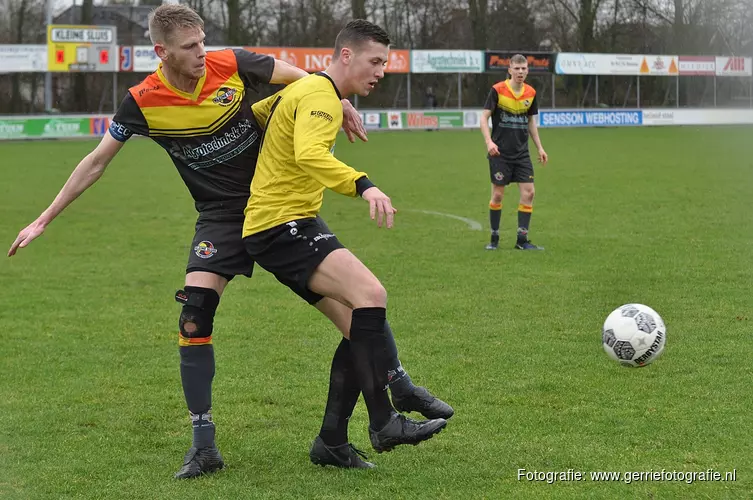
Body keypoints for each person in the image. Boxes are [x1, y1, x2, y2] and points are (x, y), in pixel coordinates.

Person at [7, 5, 451, 479]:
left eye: (203, 41)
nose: (203, 52)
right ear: (162, 52)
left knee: (354, 319)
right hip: (221, 218)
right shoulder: (143, 100)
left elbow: (304, 78)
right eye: (190, 47)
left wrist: (338, 98)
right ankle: (204, 447)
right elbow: (96, 162)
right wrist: (44, 218)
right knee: (195, 314)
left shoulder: (232, 63)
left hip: (275, 205)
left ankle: (372, 408)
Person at [243, 20, 449, 469]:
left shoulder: (306, 92)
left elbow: (258, 118)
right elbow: (310, 155)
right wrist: (364, 184)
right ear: (346, 56)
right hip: (283, 224)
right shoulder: (319, 96)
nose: (380, 71)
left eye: (385, 64)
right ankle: (384, 420)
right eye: (374, 61)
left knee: (360, 326)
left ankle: (332, 442)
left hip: (276, 223)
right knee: (372, 295)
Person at [480, 54, 548, 251]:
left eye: (523, 68)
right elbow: (484, 118)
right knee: (498, 196)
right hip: (499, 153)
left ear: (527, 70)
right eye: (516, 68)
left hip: (522, 154)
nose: (520, 72)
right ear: (509, 70)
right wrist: (489, 142)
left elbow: (531, 123)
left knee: (529, 192)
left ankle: (522, 240)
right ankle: (494, 238)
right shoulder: (498, 90)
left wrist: (540, 147)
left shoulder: (531, 93)